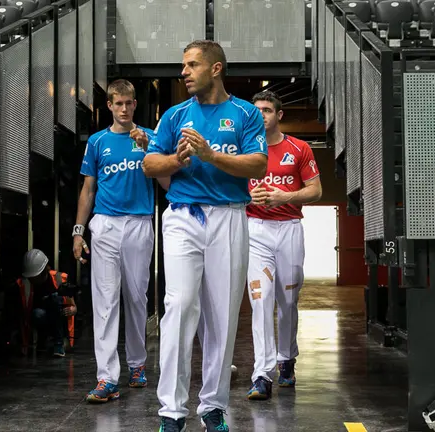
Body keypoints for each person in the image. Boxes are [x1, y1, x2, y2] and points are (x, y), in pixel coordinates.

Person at [138, 40, 268, 432]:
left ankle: (213, 406)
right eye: (184, 65)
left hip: (229, 217)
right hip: (182, 216)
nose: (184, 72)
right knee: (179, 306)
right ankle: (171, 411)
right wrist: (179, 159)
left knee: (223, 315)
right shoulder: (175, 114)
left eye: (192, 65)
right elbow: (148, 163)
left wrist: (211, 156)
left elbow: (258, 164)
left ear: (215, 69)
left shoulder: (245, 113)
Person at [74, 79, 166, 404]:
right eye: (118, 103)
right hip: (105, 225)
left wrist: (148, 150)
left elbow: (167, 183)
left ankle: (137, 364)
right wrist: (78, 230)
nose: (124, 109)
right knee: (105, 300)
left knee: (137, 298)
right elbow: (88, 188)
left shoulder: (152, 137)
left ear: (135, 104)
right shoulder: (98, 142)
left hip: (140, 223)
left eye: (129, 103)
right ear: (110, 106)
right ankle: (107, 377)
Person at [244, 90, 322, 400]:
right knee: (260, 300)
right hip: (255, 230)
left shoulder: (299, 149)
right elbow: (228, 186)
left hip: (289, 229)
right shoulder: (243, 149)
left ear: (279, 115)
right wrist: (246, 197)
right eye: (256, 110)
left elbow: (316, 190)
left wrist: (284, 196)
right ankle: (261, 373)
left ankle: (286, 359)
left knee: (288, 301)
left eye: (266, 110)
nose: (261, 114)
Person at [19, 249, 77, 357]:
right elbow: (23, 314)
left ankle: (58, 344)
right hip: (40, 320)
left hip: (58, 320)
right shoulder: (25, 286)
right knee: (38, 314)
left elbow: (72, 305)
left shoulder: (58, 279)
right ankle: (43, 341)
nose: (32, 279)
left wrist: (73, 309)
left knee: (54, 298)